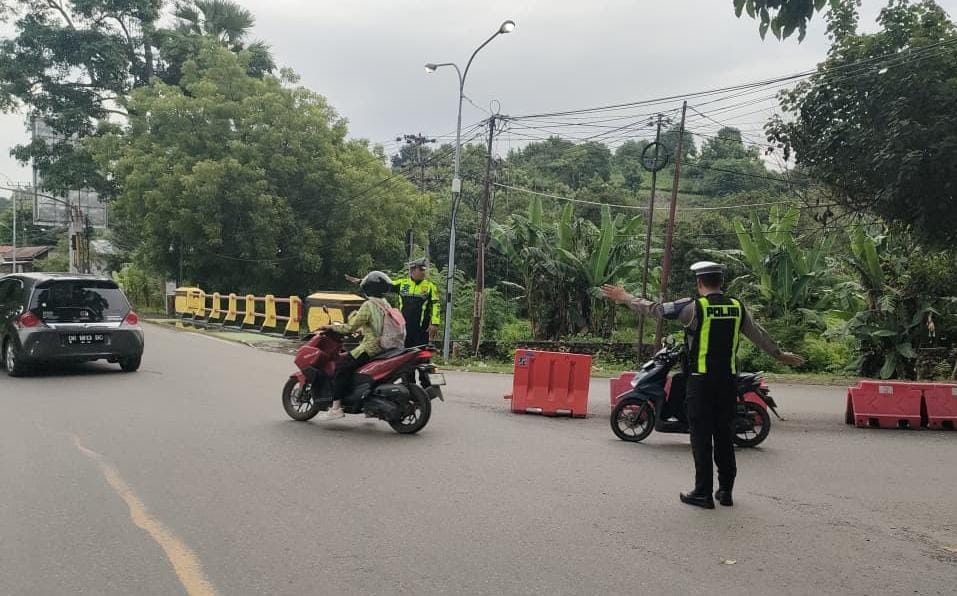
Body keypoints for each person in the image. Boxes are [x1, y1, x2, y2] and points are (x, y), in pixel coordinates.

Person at [601, 261, 805, 509]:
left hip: (700, 382)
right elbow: (758, 335)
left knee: (701, 437)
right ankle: (726, 491)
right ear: (722, 282)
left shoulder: (693, 308)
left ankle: (702, 493)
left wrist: (625, 298)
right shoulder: (737, 308)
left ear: (699, 283)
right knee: (724, 436)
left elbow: (657, 310)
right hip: (728, 382)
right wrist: (780, 355)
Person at [318, 271, 397, 421]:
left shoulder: (369, 305)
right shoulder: (386, 304)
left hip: (370, 348)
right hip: (386, 347)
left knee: (341, 366)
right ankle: (368, 407)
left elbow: (350, 328)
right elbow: (378, 326)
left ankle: (336, 408)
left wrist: (331, 327)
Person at [347, 258, 440, 348]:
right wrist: (361, 281)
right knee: (403, 352)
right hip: (404, 326)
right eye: (421, 269)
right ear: (412, 270)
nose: (424, 272)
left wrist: (435, 324)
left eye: (424, 270)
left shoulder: (430, 286)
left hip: (421, 328)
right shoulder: (403, 284)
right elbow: (382, 284)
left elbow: (436, 305)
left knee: (420, 351)